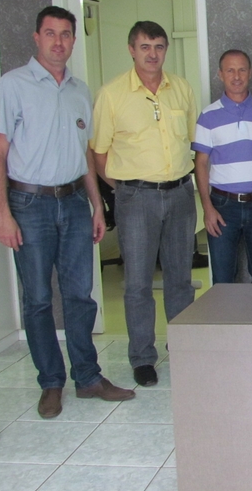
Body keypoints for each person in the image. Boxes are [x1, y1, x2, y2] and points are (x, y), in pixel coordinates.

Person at [0, 6, 135, 419]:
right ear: (37, 37)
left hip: (73, 203)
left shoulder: (79, 91)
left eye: (66, 34)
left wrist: (97, 206)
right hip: (28, 205)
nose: (58, 41)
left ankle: (87, 377)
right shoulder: (12, 85)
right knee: (37, 299)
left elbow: (84, 154)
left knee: (80, 296)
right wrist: (4, 213)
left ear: (73, 40)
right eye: (51, 33)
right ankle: (50, 383)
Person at [91, 21, 197, 386]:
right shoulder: (112, 94)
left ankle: (182, 350)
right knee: (137, 282)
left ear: (166, 50)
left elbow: (193, 142)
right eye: (145, 47)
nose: (153, 54)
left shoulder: (181, 88)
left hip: (181, 194)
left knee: (180, 279)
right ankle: (142, 358)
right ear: (132, 50)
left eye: (159, 46)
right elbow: (99, 153)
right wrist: (127, 188)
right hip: (135, 198)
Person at [192, 49, 252, 283]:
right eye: (230, 70)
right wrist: (207, 209)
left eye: (242, 70)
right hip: (222, 206)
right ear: (220, 74)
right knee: (223, 279)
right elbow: (200, 163)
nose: (236, 76)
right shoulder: (207, 116)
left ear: (250, 72)